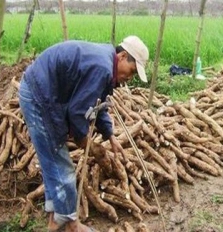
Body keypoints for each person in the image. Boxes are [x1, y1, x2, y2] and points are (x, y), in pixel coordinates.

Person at [18, 35, 149, 232]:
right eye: (131, 71)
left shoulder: (106, 63)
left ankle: (56, 220)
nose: (129, 79)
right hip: (40, 97)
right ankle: (72, 225)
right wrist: (87, 143)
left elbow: (98, 103)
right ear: (122, 56)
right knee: (61, 166)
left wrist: (110, 135)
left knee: (53, 162)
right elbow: (78, 112)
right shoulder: (102, 68)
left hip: (46, 93)